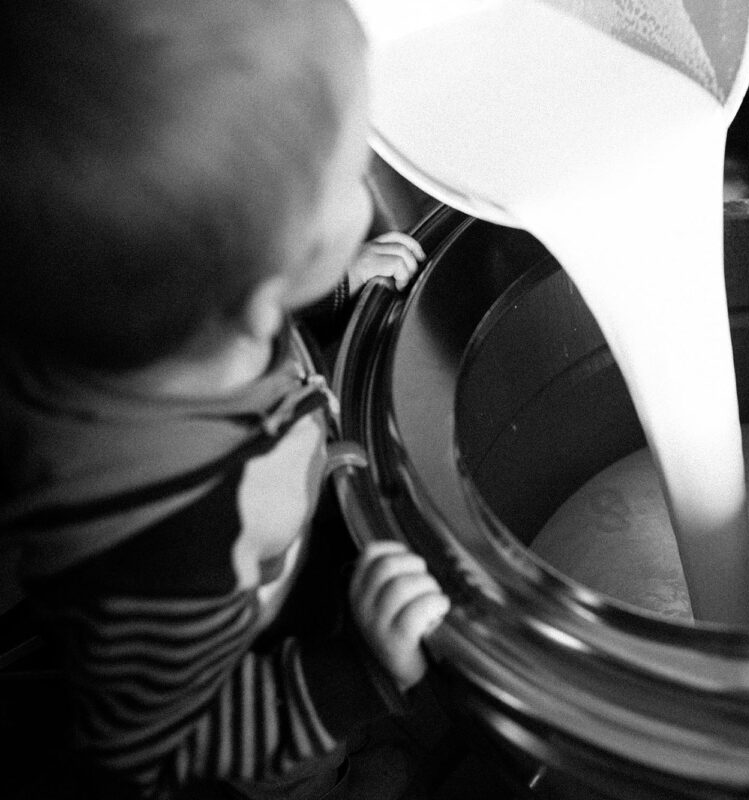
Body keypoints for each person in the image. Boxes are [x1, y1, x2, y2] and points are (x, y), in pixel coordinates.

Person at [0, 0, 451, 797]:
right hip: (250, 702)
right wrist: (355, 673)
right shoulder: (162, 548)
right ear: (256, 293)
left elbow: (224, 314)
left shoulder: (144, 327)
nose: (370, 196)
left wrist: (323, 284)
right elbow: (158, 749)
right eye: (352, 181)